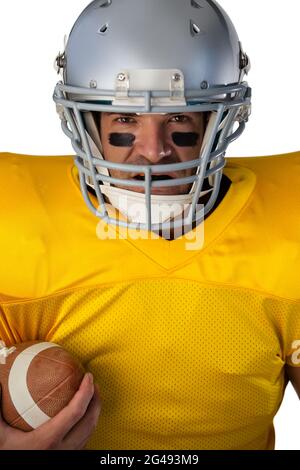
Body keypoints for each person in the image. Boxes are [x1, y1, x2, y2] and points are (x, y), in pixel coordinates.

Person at [0, 0, 299, 450]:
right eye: (125, 119)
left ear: (220, 120)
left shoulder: (289, 218)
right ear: (84, 122)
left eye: (178, 118)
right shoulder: (13, 214)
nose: (152, 152)